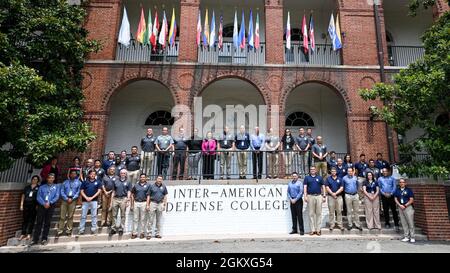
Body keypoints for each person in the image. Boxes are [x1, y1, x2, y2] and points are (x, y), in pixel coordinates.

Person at [31, 173, 59, 246]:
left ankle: (44, 238)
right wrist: (43, 203)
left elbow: (56, 196)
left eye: (52, 178)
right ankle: (35, 239)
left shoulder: (56, 187)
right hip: (42, 206)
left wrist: (50, 202)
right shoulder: (42, 187)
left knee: (47, 223)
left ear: (54, 179)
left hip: (51, 206)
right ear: (47, 179)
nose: (51, 179)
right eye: (49, 178)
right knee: (39, 222)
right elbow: (38, 197)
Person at [57, 169, 82, 237]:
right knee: (62, 216)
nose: (73, 175)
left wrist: (72, 198)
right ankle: (60, 230)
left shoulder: (79, 183)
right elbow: (62, 191)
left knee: (70, 216)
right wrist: (66, 198)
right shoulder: (65, 182)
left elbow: (78, 192)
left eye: (74, 174)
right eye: (72, 174)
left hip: (73, 200)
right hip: (65, 200)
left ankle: (69, 230)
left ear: (76, 175)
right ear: (70, 175)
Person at [303, 166, 326, 236]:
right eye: (311, 169)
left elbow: (323, 186)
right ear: (310, 170)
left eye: (313, 169)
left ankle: (318, 230)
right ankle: (312, 230)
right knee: (311, 214)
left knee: (319, 213)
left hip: (319, 196)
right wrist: (305, 195)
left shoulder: (319, 177)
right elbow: (305, 187)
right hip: (310, 196)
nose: (312, 170)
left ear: (316, 170)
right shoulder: (307, 178)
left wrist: (324, 196)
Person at [78, 170, 102, 235]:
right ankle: (81, 229)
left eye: (94, 174)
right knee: (83, 215)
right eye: (91, 174)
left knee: (94, 215)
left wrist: (91, 198)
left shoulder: (98, 182)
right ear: (89, 175)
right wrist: (86, 198)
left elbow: (99, 191)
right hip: (85, 201)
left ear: (95, 175)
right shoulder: (85, 182)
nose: (92, 175)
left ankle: (94, 229)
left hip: (94, 201)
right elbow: (81, 191)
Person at [110, 169, 131, 236]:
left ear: (126, 174)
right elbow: (113, 191)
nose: (122, 174)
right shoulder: (116, 181)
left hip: (123, 199)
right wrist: (111, 201)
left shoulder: (128, 182)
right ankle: (113, 228)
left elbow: (129, 192)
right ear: (120, 174)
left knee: (123, 215)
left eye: (124, 173)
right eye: (121, 173)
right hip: (115, 199)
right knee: (114, 214)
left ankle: (121, 228)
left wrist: (128, 200)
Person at [394, 178, 415, 243]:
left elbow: (411, 199)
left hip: (408, 207)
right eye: (400, 182)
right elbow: (395, 199)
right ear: (399, 183)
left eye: (403, 182)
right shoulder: (397, 190)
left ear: (405, 183)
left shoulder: (409, 190)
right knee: (404, 223)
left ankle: (412, 237)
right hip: (400, 207)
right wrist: (400, 205)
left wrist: (405, 205)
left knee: (410, 222)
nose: (401, 183)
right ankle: (406, 236)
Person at [19, 175, 40, 241]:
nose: (34, 180)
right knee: (25, 219)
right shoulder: (27, 187)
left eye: (36, 179)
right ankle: (23, 233)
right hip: (26, 205)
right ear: (31, 180)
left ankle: (29, 233)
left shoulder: (39, 188)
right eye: (33, 179)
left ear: (38, 181)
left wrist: (38, 205)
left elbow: (39, 197)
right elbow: (23, 195)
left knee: (32, 220)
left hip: (34, 205)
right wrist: (21, 204)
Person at [131, 173, 151, 239]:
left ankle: (142, 233)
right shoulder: (136, 185)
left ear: (145, 178)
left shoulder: (148, 185)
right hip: (136, 202)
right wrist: (132, 204)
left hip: (144, 203)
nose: (142, 178)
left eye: (143, 177)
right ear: (140, 178)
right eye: (141, 177)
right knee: (135, 219)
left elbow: (148, 196)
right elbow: (132, 194)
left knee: (143, 219)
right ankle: (134, 233)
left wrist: (147, 204)